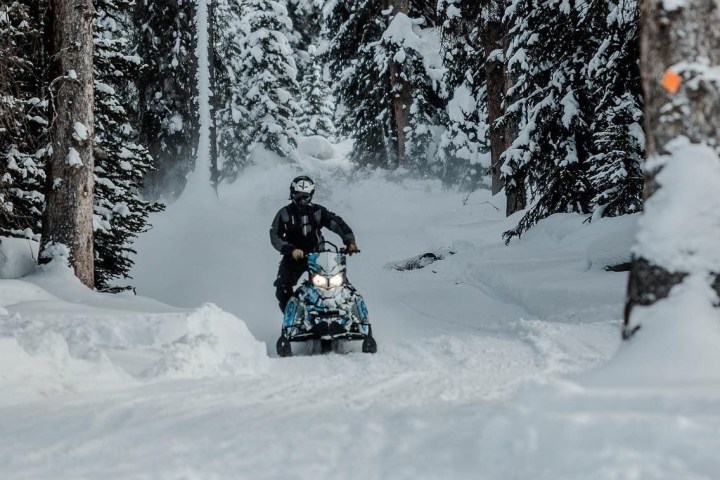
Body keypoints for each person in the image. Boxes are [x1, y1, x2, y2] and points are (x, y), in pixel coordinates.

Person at [270, 175, 359, 313]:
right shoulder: (284, 213)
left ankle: (350, 315)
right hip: (294, 257)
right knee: (282, 287)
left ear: (311, 195)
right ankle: (292, 320)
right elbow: (274, 235)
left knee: (342, 284)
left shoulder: (318, 211)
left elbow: (337, 223)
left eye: (305, 196)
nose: (302, 199)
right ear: (292, 194)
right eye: (298, 195)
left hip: (319, 256)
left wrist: (350, 241)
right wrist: (290, 249)